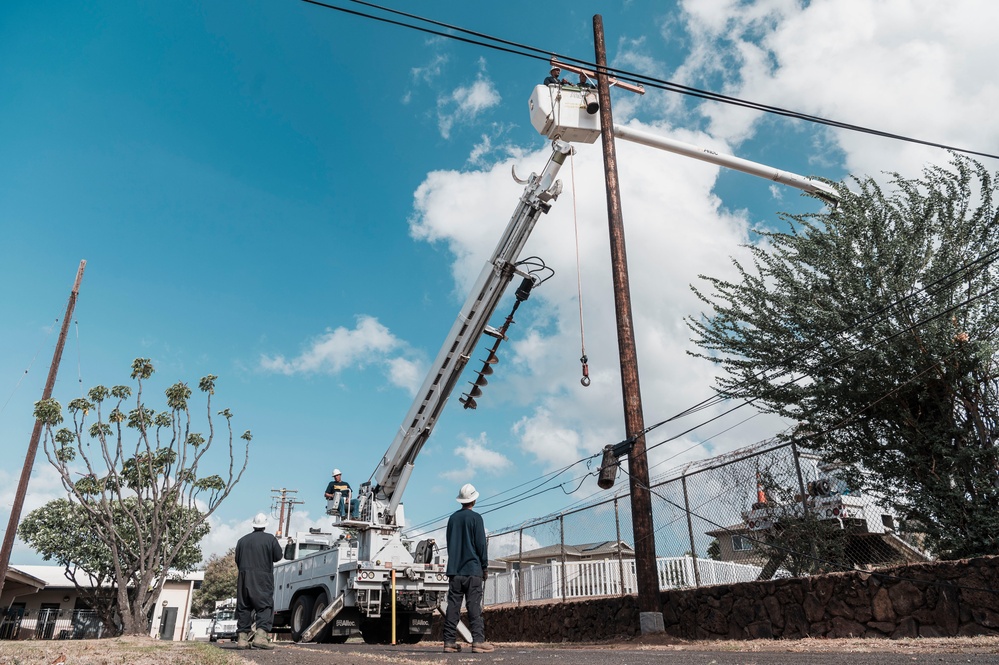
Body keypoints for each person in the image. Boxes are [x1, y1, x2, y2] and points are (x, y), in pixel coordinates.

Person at [442, 483, 494, 654]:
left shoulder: (452, 519)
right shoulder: (476, 518)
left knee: (453, 607)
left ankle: (449, 642)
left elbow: (450, 544)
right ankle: (478, 641)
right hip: (473, 570)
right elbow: (481, 545)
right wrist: (484, 567)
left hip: (455, 571)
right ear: (474, 499)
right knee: (473, 606)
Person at [234, 513, 283, 650]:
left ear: (253, 524)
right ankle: (260, 637)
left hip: (244, 576)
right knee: (264, 606)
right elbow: (278, 556)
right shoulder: (270, 539)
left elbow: (237, 559)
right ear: (265, 525)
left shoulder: (242, 540)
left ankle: (242, 640)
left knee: (244, 606)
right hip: (262, 577)